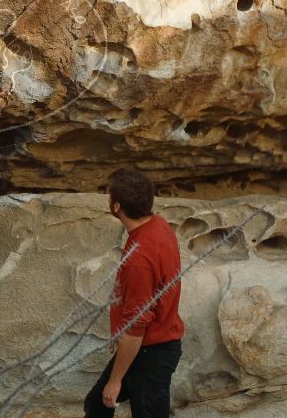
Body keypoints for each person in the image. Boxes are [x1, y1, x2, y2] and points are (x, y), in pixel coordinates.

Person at [83, 169, 185, 418]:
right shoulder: (158, 225)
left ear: (117, 206)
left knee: (108, 401)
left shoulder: (139, 258)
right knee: (96, 406)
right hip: (146, 346)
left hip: (151, 353)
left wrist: (116, 380)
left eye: (109, 197)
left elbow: (137, 325)